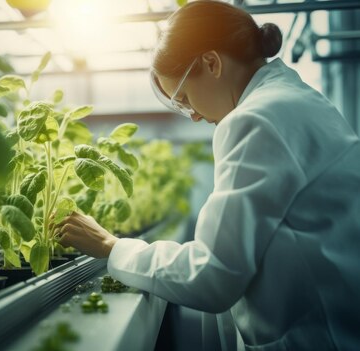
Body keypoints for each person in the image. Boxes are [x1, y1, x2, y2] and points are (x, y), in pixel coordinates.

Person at [54, 1, 360, 350]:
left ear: (211, 63)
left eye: (184, 98)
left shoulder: (255, 120)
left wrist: (112, 247)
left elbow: (212, 275)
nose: (193, 116)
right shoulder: (294, 100)